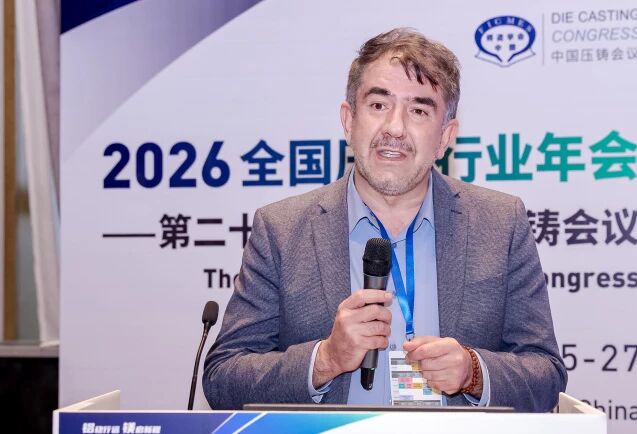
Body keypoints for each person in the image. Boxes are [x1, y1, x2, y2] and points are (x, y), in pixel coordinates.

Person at [203, 28, 567, 410]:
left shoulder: (500, 224)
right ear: (349, 121)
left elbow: (545, 374)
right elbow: (223, 379)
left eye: (419, 111)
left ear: (445, 137)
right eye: (379, 105)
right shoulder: (281, 230)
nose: (395, 128)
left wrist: (473, 372)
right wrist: (324, 360)